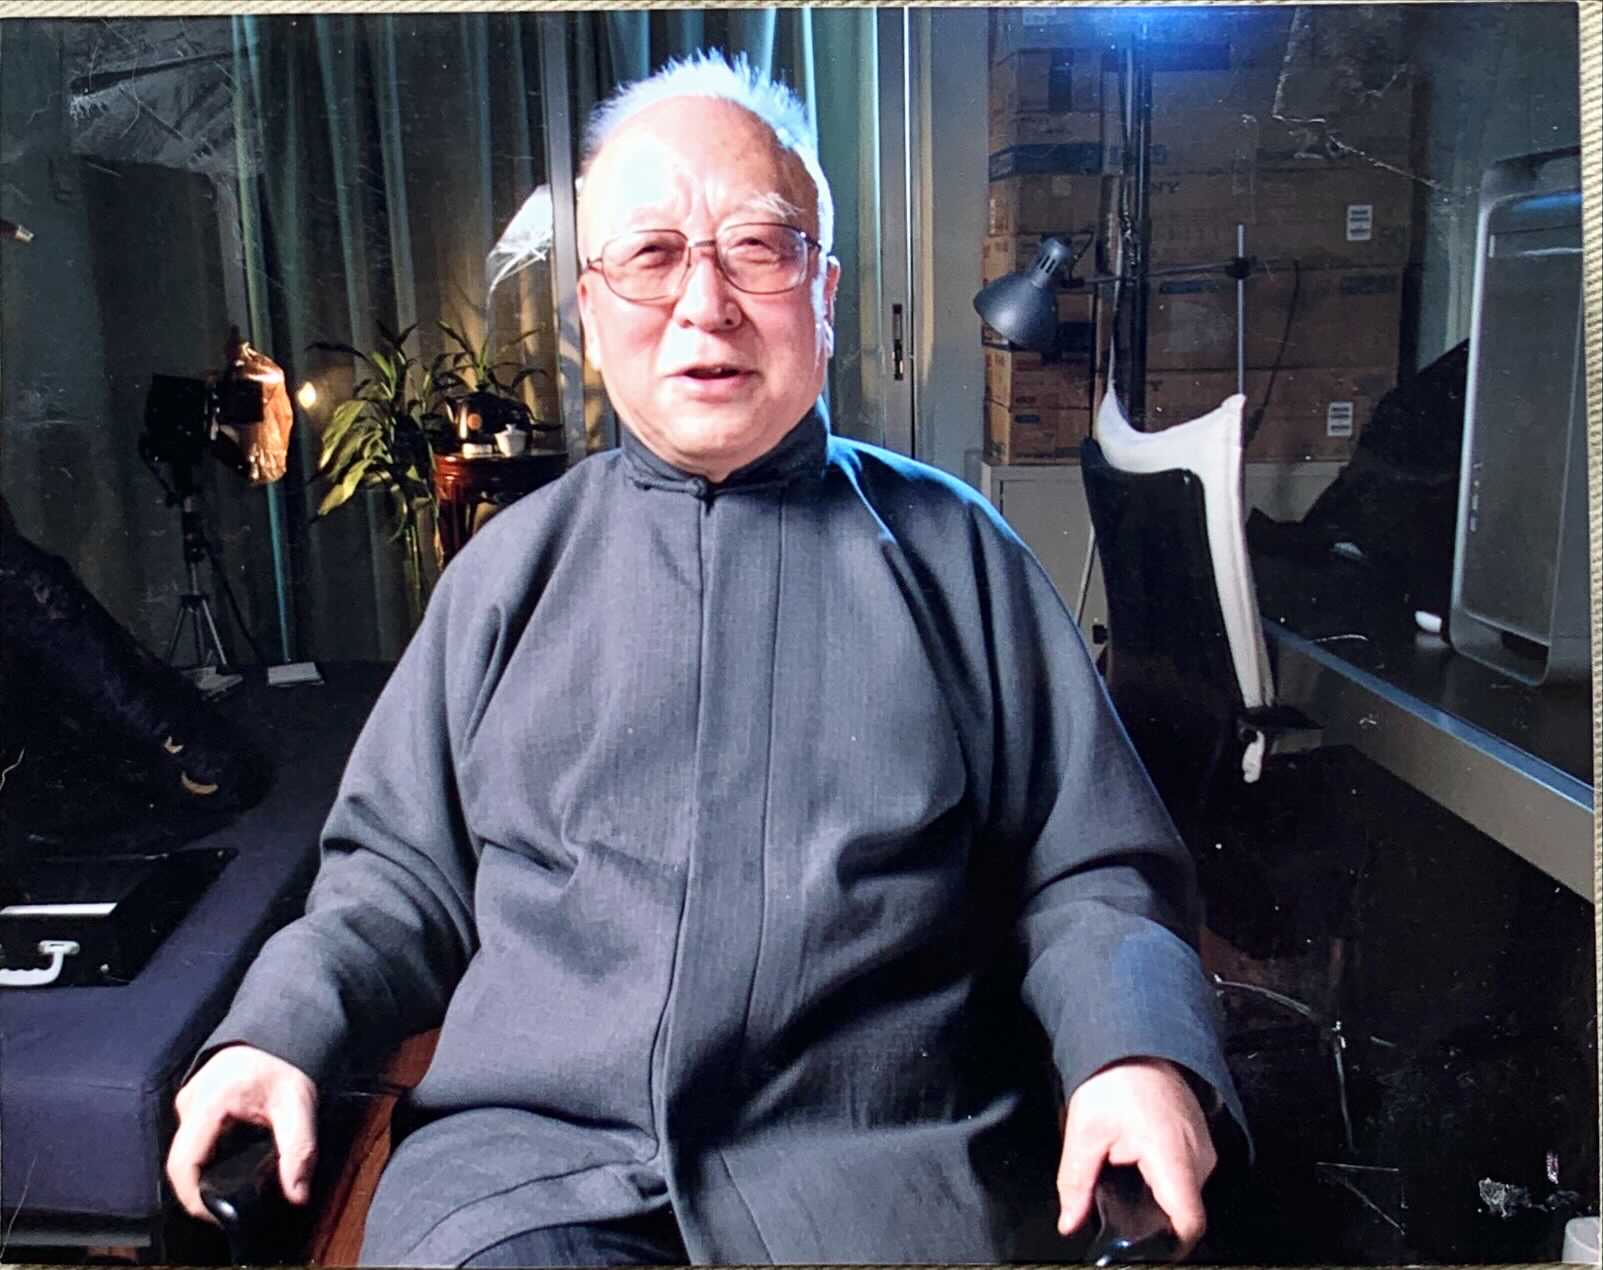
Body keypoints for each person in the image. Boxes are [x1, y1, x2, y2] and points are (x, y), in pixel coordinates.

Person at [167, 52, 1243, 1266]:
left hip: (883, 1177)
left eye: (757, 249)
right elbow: (394, 882)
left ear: (823, 293)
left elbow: (1091, 872)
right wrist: (276, 1031)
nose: (705, 304)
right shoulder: (506, 575)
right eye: (651, 254)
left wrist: (1131, 1052)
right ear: (590, 308)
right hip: (536, 1182)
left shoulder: (961, 558)